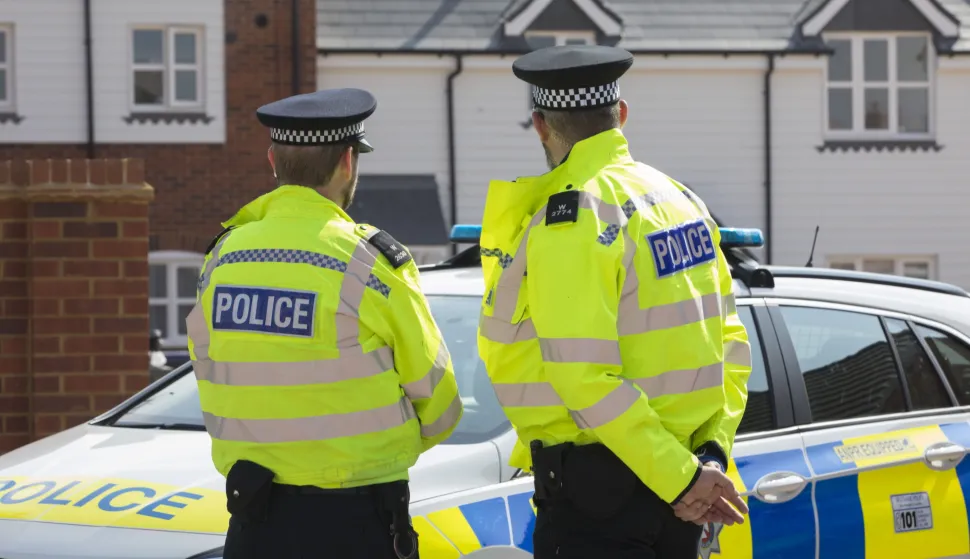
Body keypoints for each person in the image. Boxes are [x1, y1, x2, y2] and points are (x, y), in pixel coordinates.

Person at [476, 45, 753, 559]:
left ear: (539, 124)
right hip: (684, 491)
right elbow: (730, 342)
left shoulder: (576, 213)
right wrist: (710, 456)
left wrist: (681, 478)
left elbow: (583, 376)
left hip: (603, 500)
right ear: (621, 115)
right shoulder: (678, 199)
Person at [185, 88, 463, 559]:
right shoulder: (369, 263)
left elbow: (208, 366)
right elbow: (439, 401)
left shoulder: (223, 259)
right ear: (347, 163)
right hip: (357, 521)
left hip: (253, 520)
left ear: (273, 160)